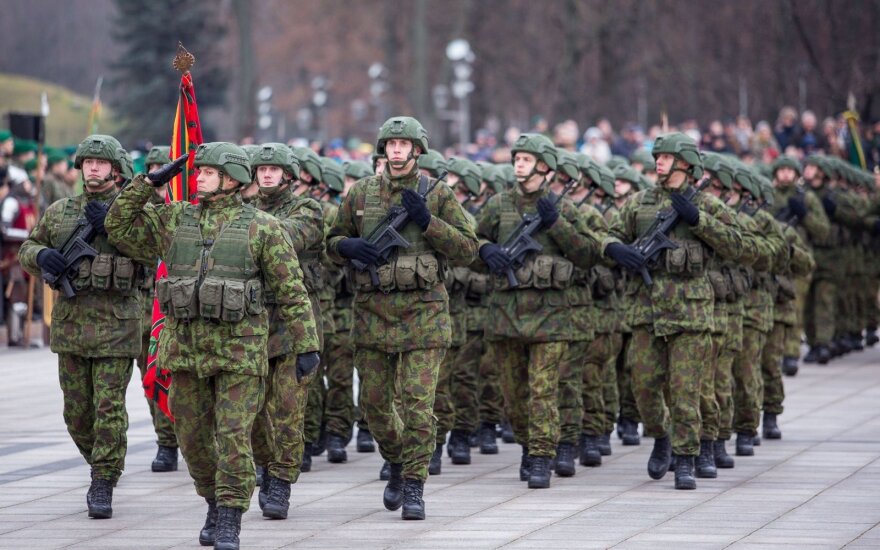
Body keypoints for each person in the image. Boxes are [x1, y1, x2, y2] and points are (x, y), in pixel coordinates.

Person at [105, 142, 320, 550]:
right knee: (192, 437)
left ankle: (230, 517)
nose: (196, 177)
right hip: (185, 351)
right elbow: (118, 227)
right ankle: (211, 499)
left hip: (239, 352)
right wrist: (147, 184)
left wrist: (306, 344)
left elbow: (292, 291)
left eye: (205, 171)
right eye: (197, 171)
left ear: (231, 179)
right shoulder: (176, 219)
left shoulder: (262, 227)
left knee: (235, 434)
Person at [326, 116, 478, 520]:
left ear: (417, 150)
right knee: (374, 405)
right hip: (373, 315)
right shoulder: (360, 194)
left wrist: (428, 222)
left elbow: (468, 248)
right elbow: (330, 243)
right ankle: (395, 459)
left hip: (424, 316)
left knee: (416, 404)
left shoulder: (438, 194)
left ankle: (414, 482)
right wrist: (349, 246)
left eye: (403, 144)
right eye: (390, 144)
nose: (396, 150)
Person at [603, 132, 744, 490]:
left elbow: (739, 245)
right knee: (645, 386)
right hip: (647, 311)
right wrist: (617, 249)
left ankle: (686, 458)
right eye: (658, 157)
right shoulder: (640, 202)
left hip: (691, 313)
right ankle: (661, 435)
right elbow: (606, 234)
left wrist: (697, 219)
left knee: (686, 391)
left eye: (665, 157)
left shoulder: (706, 204)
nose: (659, 162)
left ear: (685, 164)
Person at [18, 135, 145, 519]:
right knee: (76, 413)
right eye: (87, 161)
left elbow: (153, 250)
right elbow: (28, 247)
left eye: (101, 162)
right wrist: (43, 257)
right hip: (72, 326)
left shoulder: (134, 211)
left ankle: (103, 479)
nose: (93, 167)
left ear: (115, 169)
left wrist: (113, 225)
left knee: (108, 408)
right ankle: (101, 461)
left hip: (117, 327)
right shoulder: (60, 211)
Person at [476, 133, 602, 489]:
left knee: (543, 389)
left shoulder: (562, 206)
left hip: (552, 314)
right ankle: (530, 447)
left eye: (527, 159)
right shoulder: (498, 204)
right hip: (507, 314)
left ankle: (543, 456)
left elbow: (589, 254)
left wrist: (556, 223)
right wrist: (486, 251)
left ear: (544, 166)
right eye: (516, 157)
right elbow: (468, 242)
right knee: (514, 395)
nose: (518, 163)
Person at [247, 143, 325, 519]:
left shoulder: (306, 209)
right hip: (253, 322)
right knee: (254, 409)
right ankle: (264, 462)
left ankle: (281, 479)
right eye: (261, 168)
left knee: (288, 409)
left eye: (273, 169)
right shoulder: (246, 211)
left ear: (289, 175)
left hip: (295, 321)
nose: (266, 174)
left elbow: (289, 236)